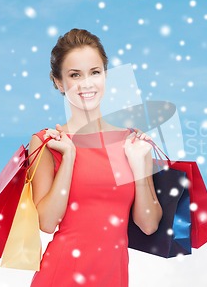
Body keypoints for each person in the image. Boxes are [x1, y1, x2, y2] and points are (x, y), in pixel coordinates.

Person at [28, 28, 162, 286]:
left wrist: (138, 167)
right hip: (60, 276)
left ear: (105, 75)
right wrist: (68, 158)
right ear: (58, 82)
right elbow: (46, 222)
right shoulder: (49, 142)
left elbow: (148, 224)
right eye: (74, 75)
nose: (86, 83)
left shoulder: (132, 143)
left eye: (95, 72)